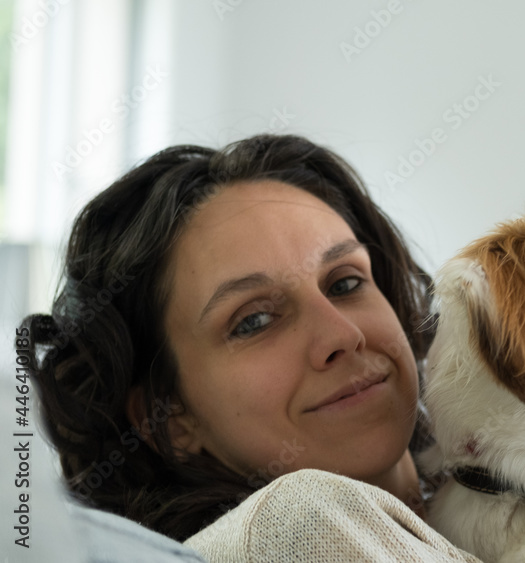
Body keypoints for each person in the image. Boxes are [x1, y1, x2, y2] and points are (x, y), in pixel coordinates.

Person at [21, 134, 480, 561]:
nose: (342, 335)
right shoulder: (296, 525)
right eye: (254, 321)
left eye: (345, 282)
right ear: (170, 416)